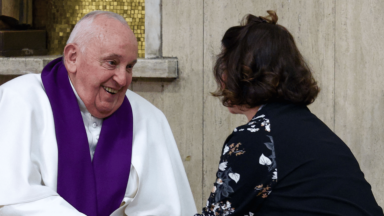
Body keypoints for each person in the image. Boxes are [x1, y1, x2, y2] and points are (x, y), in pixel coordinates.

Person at [0, 11, 196, 216]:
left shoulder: (150, 118)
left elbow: (170, 208)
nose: (122, 79)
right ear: (72, 57)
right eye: (112, 62)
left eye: (129, 67)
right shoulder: (18, 101)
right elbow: (13, 200)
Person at [195, 11, 383, 216]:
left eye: (225, 65)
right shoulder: (308, 128)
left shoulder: (257, 138)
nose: (221, 76)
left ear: (244, 74)